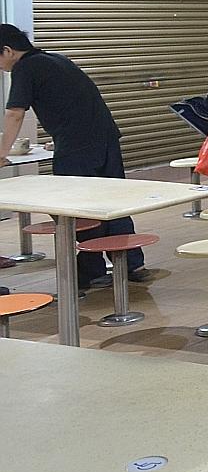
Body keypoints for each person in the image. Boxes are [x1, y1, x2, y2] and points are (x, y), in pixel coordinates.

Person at [0, 24, 148, 288]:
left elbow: (15, 113)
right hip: (105, 138)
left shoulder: (25, 68)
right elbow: (75, 102)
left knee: (79, 208)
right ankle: (130, 263)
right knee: (113, 202)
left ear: (8, 51)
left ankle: (89, 270)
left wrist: (1, 153)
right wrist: (58, 137)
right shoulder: (55, 59)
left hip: (78, 146)